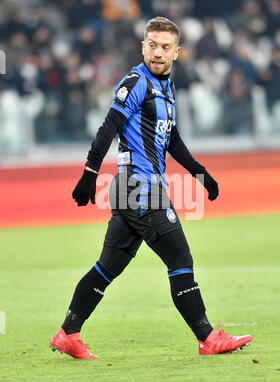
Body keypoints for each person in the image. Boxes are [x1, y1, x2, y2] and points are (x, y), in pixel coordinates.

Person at [50, 17, 253, 359]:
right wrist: (89, 172)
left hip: (134, 190)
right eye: (152, 45)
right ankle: (208, 338)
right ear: (143, 46)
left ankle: (68, 333)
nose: (158, 53)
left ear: (177, 52)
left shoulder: (167, 88)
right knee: (180, 258)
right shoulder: (136, 82)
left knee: (107, 267)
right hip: (139, 188)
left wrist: (199, 173)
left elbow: (171, 138)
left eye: (165, 47)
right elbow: (108, 128)